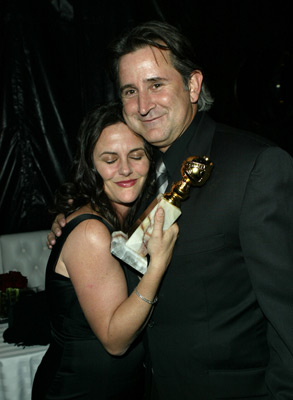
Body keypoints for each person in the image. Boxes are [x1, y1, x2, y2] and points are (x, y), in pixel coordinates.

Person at [48, 21, 293, 399]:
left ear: (193, 86)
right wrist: (73, 221)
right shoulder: (141, 180)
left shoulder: (254, 167)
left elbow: (286, 314)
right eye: (130, 91)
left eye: (156, 84)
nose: (143, 105)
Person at [32, 100, 179, 400]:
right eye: (110, 159)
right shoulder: (91, 232)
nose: (125, 169)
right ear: (92, 166)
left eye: (136, 156)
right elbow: (115, 341)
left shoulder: (128, 221)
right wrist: (158, 265)